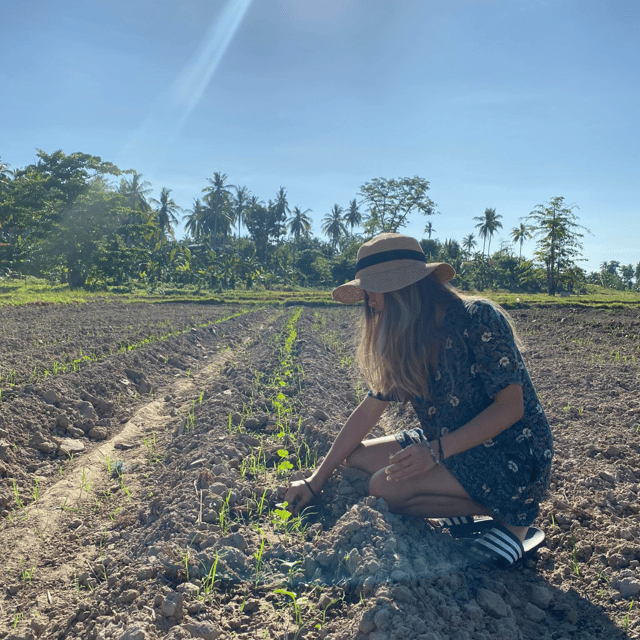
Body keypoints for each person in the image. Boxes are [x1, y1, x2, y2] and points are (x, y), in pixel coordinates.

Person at [284, 233, 553, 568]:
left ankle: (511, 515)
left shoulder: (478, 318)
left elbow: (511, 408)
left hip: (510, 454)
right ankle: (460, 500)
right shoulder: (409, 336)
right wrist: (315, 480)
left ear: (400, 288)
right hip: (451, 443)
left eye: (371, 292)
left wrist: (434, 453)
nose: (368, 302)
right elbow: (370, 408)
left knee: (383, 487)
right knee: (356, 459)